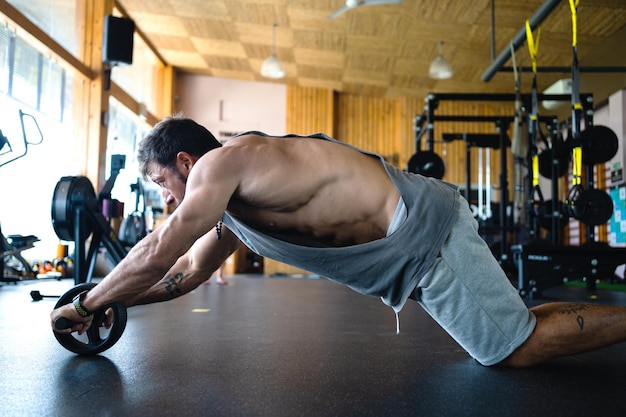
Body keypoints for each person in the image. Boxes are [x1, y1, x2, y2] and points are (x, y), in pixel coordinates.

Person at [51, 115, 626, 368]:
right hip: (418, 249)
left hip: (425, 238)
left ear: (185, 162)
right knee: (512, 333)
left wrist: (87, 302)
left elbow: (160, 249)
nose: (169, 202)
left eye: (163, 186)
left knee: (514, 348)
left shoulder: (224, 165)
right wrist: (112, 302)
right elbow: (181, 275)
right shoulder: (229, 207)